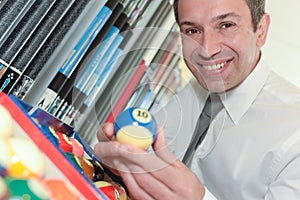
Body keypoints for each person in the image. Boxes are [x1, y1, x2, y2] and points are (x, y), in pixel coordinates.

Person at [94, 0, 300, 199]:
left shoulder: (294, 134)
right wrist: (124, 165)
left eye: (226, 25)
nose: (207, 50)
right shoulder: (196, 88)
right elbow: (153, 168)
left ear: (261, 30)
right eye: (192, 31)